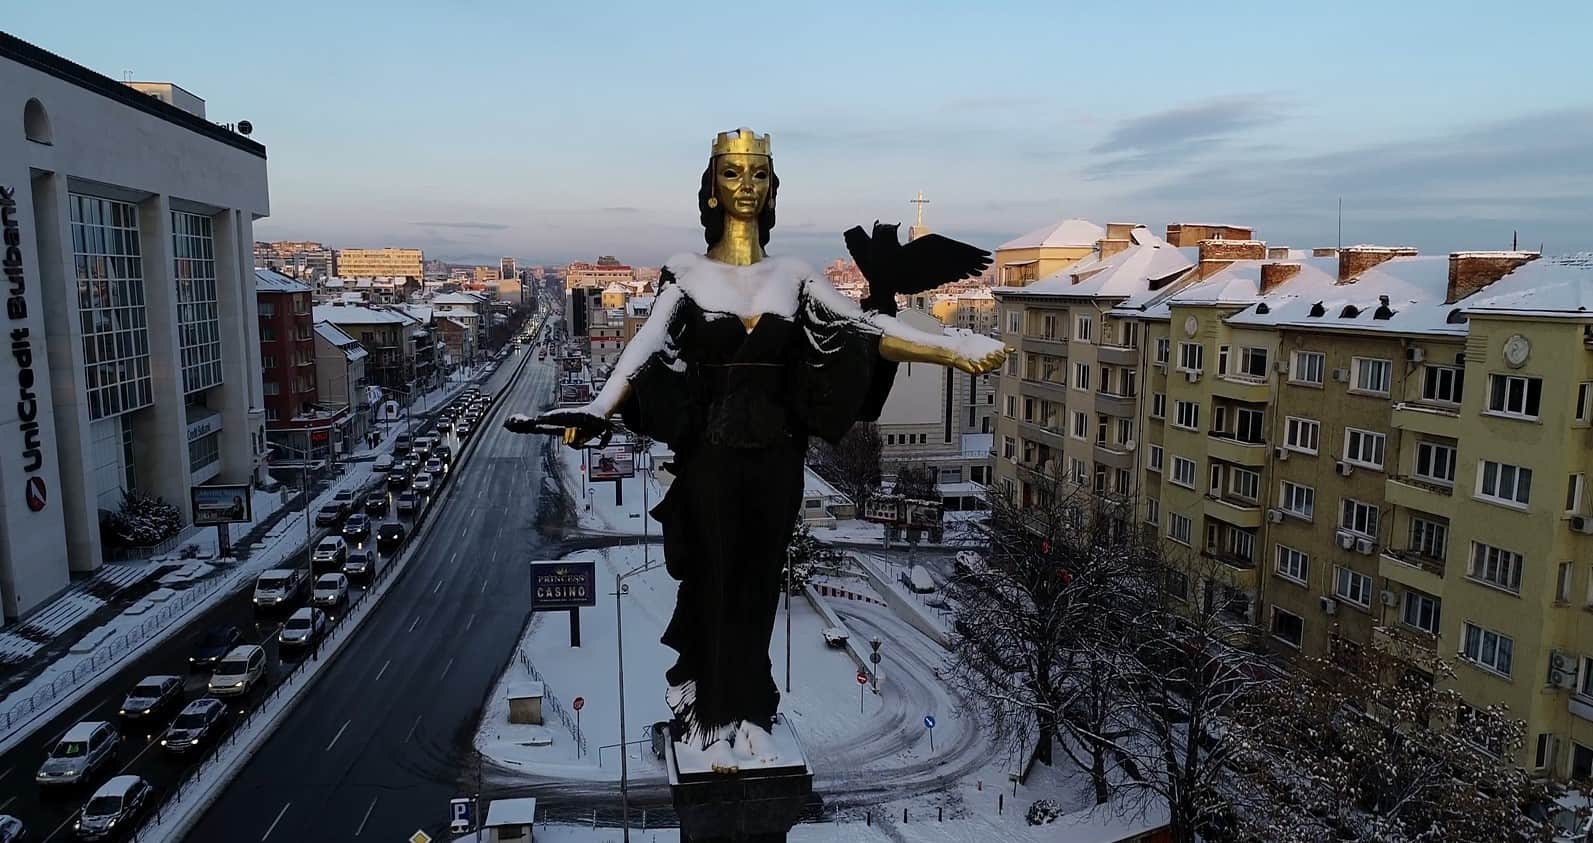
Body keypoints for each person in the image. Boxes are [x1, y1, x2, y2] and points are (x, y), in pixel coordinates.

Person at [507, 128, 1003, 766]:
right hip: (710, 460)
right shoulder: (686, 277)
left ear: (773, 187)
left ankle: (751, 709)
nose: (747, 186)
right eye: (734, 173)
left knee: (760, 583)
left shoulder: (793, 277)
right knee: (715, 577)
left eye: (759, 174)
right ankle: (714, 710)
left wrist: (954, 349)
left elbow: (865, 329)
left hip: (775, 459)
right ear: (711, 187)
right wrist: (601, 407)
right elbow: (647, 347)